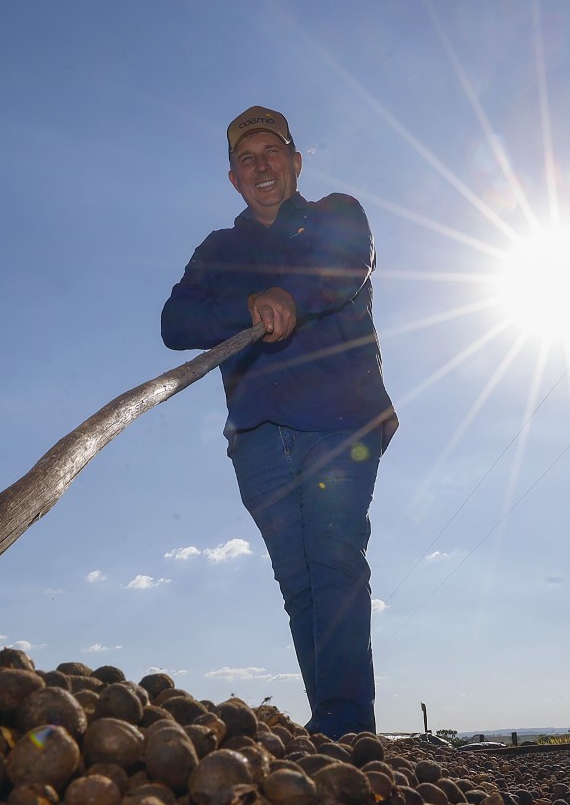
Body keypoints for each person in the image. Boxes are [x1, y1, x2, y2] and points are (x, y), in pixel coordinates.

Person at [161, 107, 397, 737]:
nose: (261, 165)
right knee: (298, 581)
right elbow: (174, 322)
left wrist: (290, 297)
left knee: (335, 562)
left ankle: (349, 735)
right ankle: (332, 728)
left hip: (339, 422)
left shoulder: (337, 215)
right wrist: (245, 306)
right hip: (257, 435)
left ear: (296, 161)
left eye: (273, 152)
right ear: (234, 178)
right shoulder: (219, 249)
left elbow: (346, 270)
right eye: (247, 158)